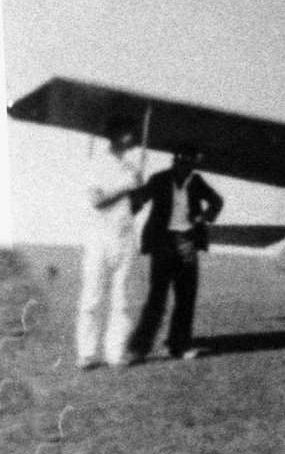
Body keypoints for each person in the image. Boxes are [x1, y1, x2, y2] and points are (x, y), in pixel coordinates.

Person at [128, 144, 223, 361]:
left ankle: (178, 347)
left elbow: (217, 202)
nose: (184, 168)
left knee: (186, 296)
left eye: (189, 164)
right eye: (180, 163)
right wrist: (135, 195)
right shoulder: (160, 179)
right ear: (174, 162)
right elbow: (140, 199)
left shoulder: (197, 182)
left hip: (187, 241)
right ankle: (140, 348)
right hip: (163, 241)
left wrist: (203, 218)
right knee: (157, 296)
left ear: (192, 165)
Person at [76, 115, 143, 370]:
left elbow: (134, 206)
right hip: (99, 236)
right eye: (128, 132)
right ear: (115, 135)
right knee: (92, 297)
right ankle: (86, 353)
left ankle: (116, 353)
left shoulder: (130, 168)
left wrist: (138, 191)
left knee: (122, 300)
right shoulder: (96, 164)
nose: (133, 137)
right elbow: (97, 201)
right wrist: (127, 187)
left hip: (124, 236)